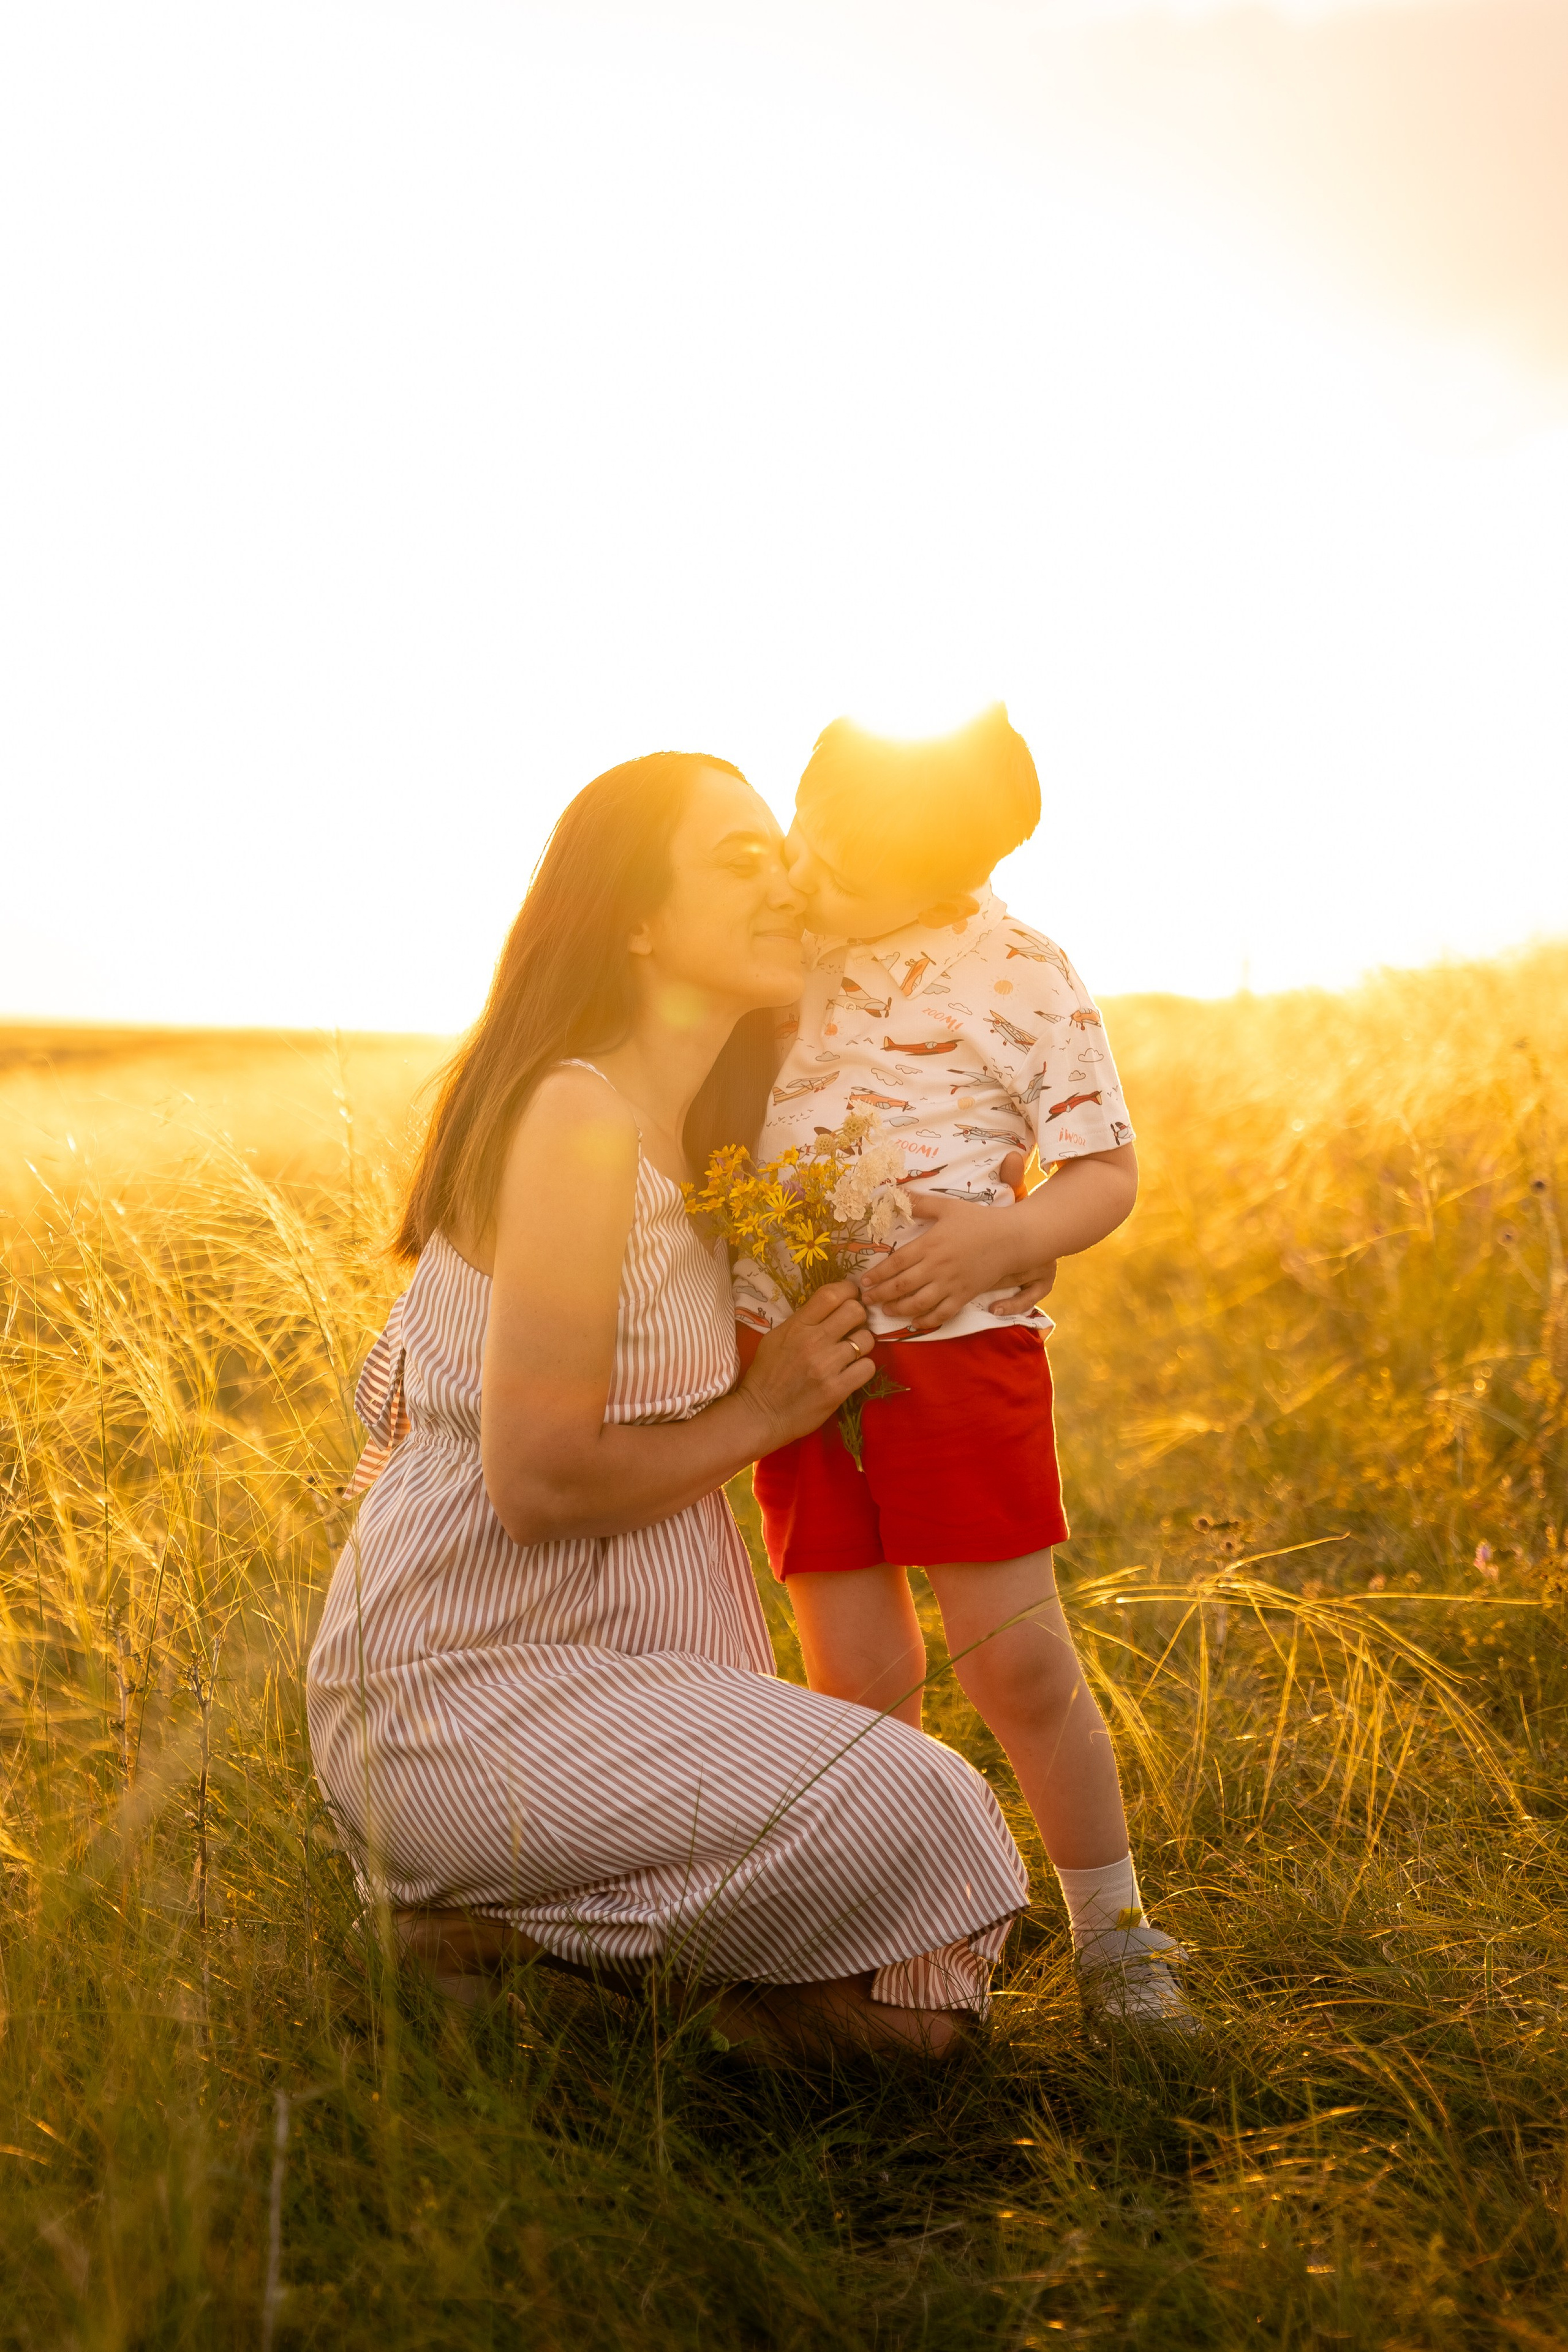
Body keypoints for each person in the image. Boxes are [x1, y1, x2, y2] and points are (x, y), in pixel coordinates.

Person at [307, 750, 1029, 2058]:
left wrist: (991, 1233)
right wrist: (763, 1414)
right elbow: (535, 1486)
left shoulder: (711, 1133)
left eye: (781, 853)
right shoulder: (574, 1119)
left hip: (622, 1674)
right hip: (470, 1694)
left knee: (923, 2010)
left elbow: (939, 1030)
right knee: (923, 1807)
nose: (783, 881)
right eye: (736, 859)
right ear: (635, 920)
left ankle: (542, 1971)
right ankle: (497, 1932)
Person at [733, 709, 1197, 2030]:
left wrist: (1012, 1229)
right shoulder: (781, 954)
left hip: (962, 1354)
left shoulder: (1021, 971)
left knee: (1013, 1662)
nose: (811, 873)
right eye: (803, 833)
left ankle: (1114, 1933)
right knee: (856, 1671)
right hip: (793, 1362)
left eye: (846, 864)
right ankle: (910, 1918)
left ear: (946, 875)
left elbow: (1101, 1172)